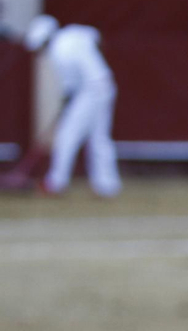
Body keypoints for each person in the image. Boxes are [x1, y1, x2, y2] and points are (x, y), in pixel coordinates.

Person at [23, 15, 121, 199]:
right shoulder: (74, 32)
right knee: (100, 137)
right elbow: (96, 37)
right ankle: (107, 185)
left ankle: (56, 183)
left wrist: (66, 104)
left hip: (90, 90)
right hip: (105, 84)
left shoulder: (58, 52)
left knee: (67, 136)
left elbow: (70, 89)